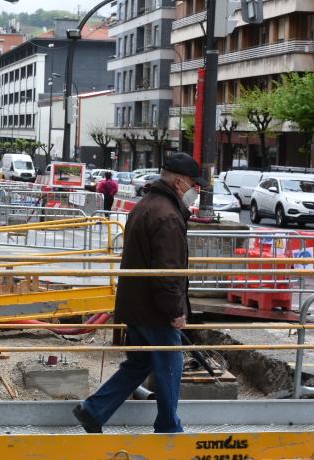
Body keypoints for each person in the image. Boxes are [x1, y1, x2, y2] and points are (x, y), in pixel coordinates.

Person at [73, 152, 207, 434]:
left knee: (139, 363)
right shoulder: (168, 216)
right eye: (195, 185)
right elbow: (167, 271)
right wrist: (175, 311)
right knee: (171, 365)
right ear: (181, 183)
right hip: (156, 310)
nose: (196, 191)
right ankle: (169, 426)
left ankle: (94, 410)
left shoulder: (145, 205)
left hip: (135, 305)